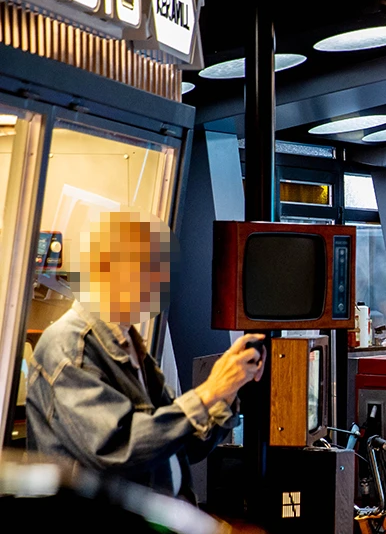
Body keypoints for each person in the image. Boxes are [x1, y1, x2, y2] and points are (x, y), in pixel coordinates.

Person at [26, 210, 264, 500]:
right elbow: (117, 447)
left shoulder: (129, 345)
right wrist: (206, 394)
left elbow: (177, 444)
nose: (162, 281)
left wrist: (224, 394)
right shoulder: (69, 347)